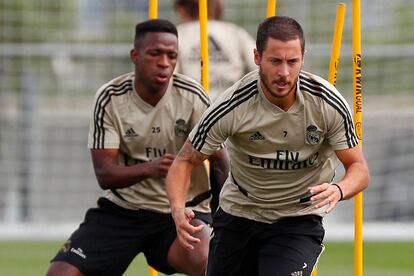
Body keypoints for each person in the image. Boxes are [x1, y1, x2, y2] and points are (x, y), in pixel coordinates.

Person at [166, 16, 370, 276]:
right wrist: (177, 210)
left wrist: (338, 189)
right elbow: (184, 161)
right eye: (275, 61)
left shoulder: (327, 103)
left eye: (292, 61)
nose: (284, 73)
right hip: (239, 213)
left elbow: (359, 169)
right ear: (257, 57)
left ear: (303, 58)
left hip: (298, 217)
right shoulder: (232, 105)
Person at [46, 19, 229, 276]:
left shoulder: (192, 96)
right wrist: (151, 168)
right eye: (155, 54)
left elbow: (220, 161)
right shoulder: (110, 97)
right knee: (61, 274)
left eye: (171, 55)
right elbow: (105, 175)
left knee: (209, 262)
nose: (164, 62)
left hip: (183, 212)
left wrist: (224, 219)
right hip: (123, 211)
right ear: (135, 56)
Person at [174, 0, 256, 213]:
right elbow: (258, 70)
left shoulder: (177, 34)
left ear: (181, 9)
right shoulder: (236, 34)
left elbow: (169, 83)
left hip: (193, 128)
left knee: (197, 199)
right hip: (234, 123)